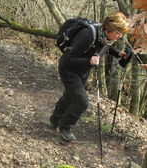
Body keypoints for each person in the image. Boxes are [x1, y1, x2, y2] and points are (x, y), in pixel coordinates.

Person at [50, 11, 130, 142]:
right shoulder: (87, 35)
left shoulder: (105, 37)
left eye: (121, 33)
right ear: (110, 28)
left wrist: (119, 54)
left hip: (82, 71)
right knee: (82, 102)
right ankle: (65, 127)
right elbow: (68, 59)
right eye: (118, 32)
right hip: (69, 69)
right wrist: (89, 61)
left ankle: (55, 120)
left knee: (70, 96)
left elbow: (105, 48)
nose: (120, 36)